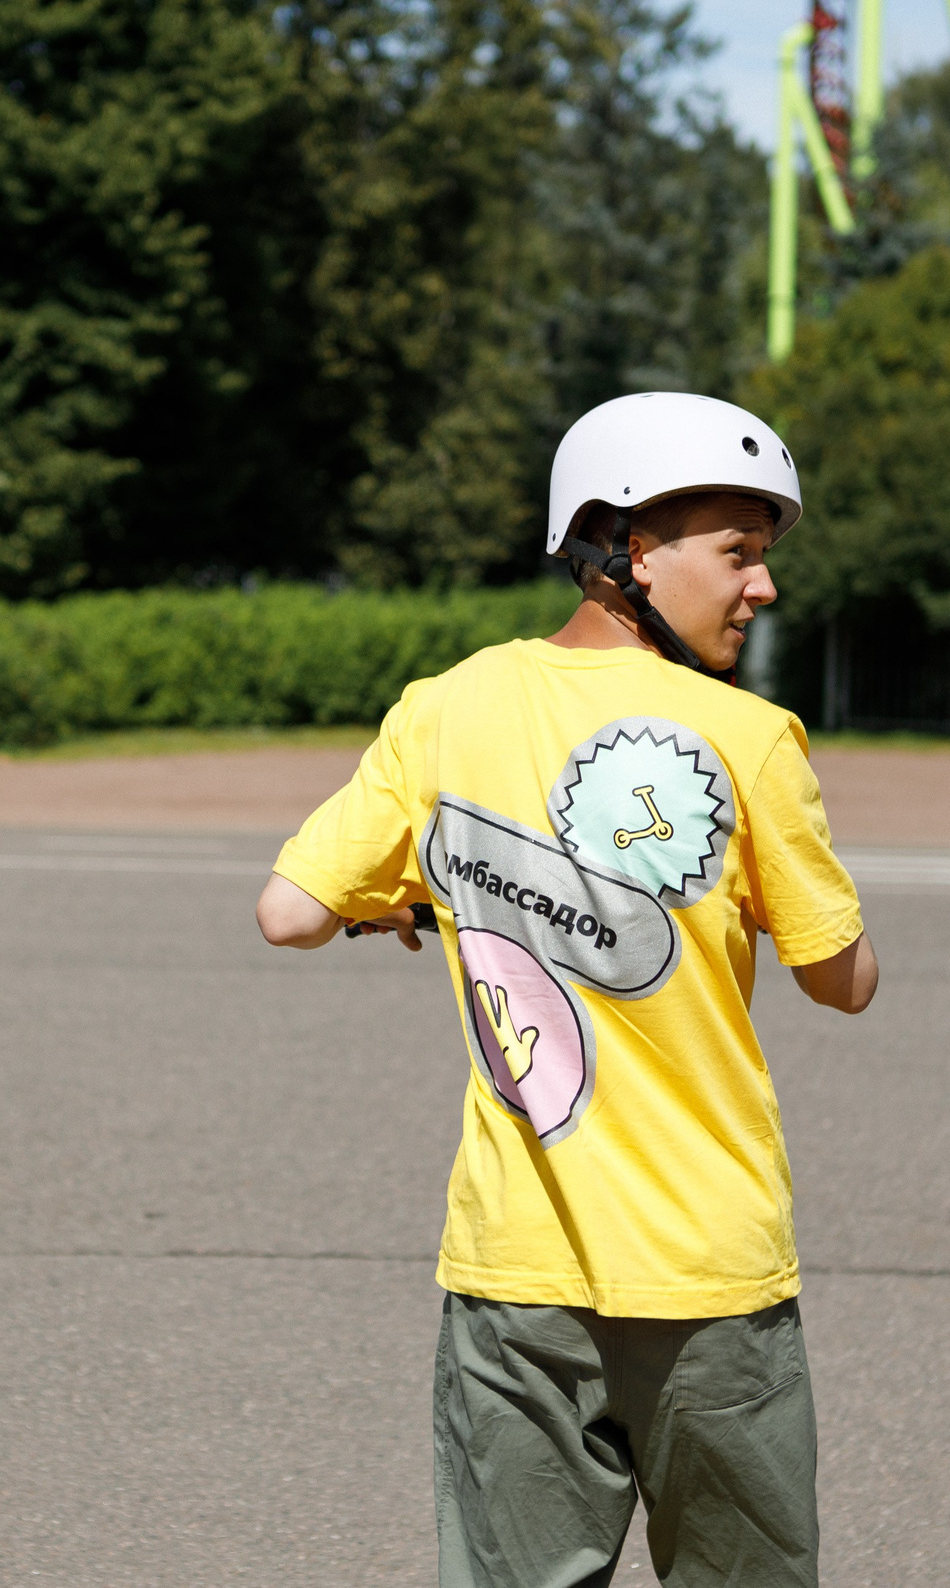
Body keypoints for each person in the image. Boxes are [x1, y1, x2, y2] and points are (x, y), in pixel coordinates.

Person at [253, 393, 876, 1588]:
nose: (763, 587)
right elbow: (842, 982)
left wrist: (423, 901)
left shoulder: (448, 706)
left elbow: (289, 912)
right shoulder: (749, 741)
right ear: (631, 549)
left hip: (514, 1275)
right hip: (707, 1275)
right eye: (738, 553)